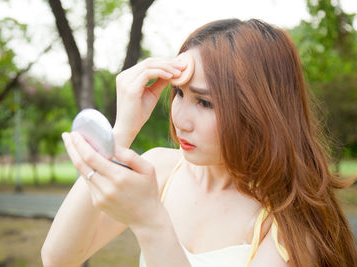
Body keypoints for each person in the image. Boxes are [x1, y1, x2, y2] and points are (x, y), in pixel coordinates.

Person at [41, 19, 357, 267]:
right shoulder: (162, 169)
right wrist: (122, 129)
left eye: (205, 102)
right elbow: (59, 258)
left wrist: (151, 223)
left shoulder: (290, 220)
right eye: (179, 93)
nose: (181, 119)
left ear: (259, 110)